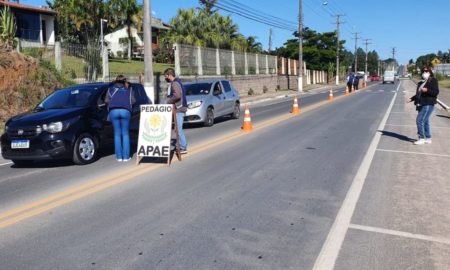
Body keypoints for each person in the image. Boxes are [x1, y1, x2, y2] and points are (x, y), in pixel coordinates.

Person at [105, 75, 136, 161]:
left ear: (116, 80)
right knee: (125, 133)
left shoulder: (110, 89)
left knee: (117, 134)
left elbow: (106, 101)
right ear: (124, 81)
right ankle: (126, 157)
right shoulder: (129, 89)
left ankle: (119, 157)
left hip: (113, 112)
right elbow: (133, 101)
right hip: (125, 111)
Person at [408, 67, 439, 145]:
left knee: (419, 120)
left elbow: (436, 92)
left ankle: (421, 138)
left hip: (428, 103)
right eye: (423, 71)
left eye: (426, 71)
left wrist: (427, 90)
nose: (424, 72)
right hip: (420, 104)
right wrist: (411, 99)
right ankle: (428, 138)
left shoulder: (433, 80)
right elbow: (419, 94)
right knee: (425, 121)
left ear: (430, 72)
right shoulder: (421, 82)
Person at [164, 68, 188, 154]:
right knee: (177, 128)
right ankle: (182, 146)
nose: (165, 78)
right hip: (179, 108)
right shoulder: (177, 82)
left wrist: (168, 101)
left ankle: (183, 147)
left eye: (166, 76)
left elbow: (177, 96)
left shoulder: (175, 83)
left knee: (178, 129)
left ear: (169, 75)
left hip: (179, 108)